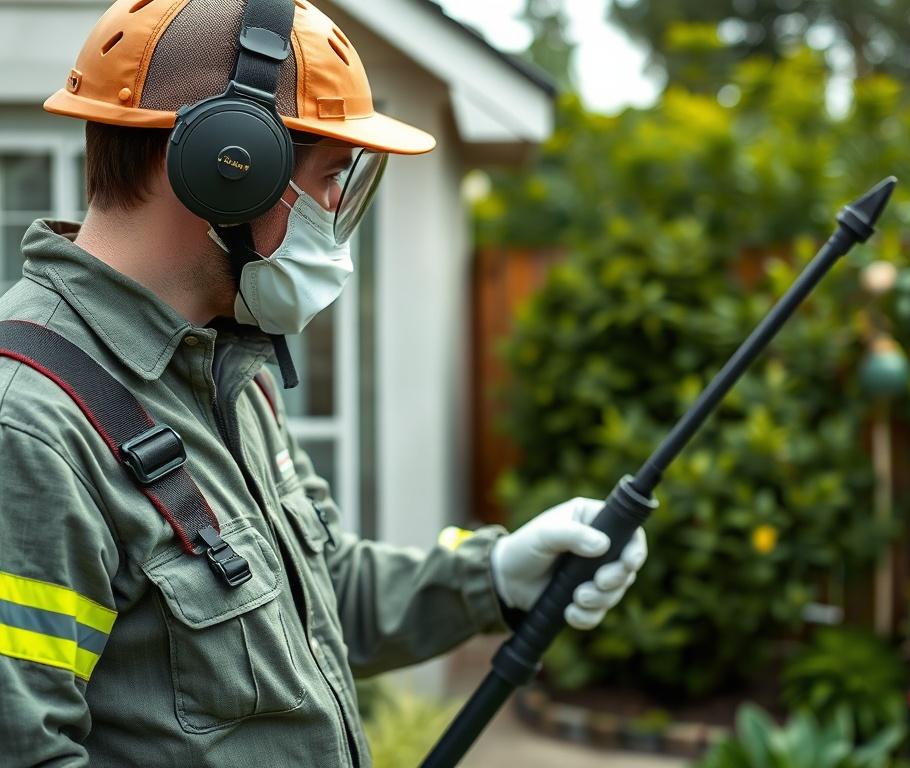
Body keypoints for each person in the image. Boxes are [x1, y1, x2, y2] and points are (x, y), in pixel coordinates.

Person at [0, 0, 648, 766]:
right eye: (333, 176)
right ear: (227, 168)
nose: (337, 208)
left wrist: (497, 577)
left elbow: (317, 596)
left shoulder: (227, 373)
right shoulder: (32, 430)